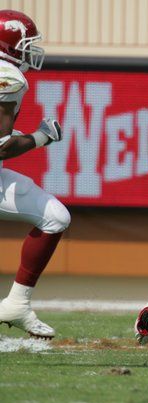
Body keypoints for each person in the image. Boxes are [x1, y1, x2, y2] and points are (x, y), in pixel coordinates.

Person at [0, 10, 68, 339]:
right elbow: (0, 146)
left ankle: (17, 304)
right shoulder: (8, 76)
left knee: (55, 216)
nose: (29, 51)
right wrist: (42, 137)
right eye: (25, 45)